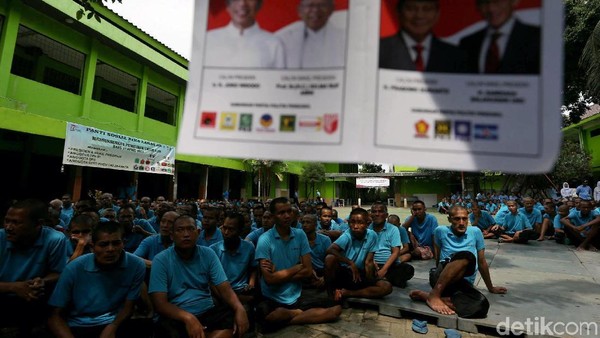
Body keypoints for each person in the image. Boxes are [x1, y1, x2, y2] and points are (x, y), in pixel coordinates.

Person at [149, 215, 249, 338]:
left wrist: (239, 309)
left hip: (207, 310)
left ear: (198, 233)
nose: (186, 234)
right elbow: (160, 304)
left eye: (190, 229)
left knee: (238, 318)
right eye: (180, 230)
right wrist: (188, 318)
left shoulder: (208, 254)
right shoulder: (161, 260)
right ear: (171, 235)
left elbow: (225, 289)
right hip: (177, 314)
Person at [47, 221, 148, 338]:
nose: (110, 249)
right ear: (92, 247)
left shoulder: (135, 265)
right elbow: (54, 316)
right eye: (103, 244)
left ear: (123, 243)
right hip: (80, 325)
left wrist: (113, 326)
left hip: (116, 322)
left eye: (116, 243)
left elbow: (128, 306)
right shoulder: (74, 268)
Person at [255, 197, 341, 331]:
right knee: (268, 317)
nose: (287, 216)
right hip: (273, 297)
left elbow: (307, 270)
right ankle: (296, 315)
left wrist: (279, 274)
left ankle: (291, 316)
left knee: (336, 309)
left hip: (296, 294)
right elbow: (269, 280)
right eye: (281, 213)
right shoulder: (265, 240)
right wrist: (296, 268)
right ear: (273, 216)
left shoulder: (300, 235)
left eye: (289, 211)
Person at [409, 205, 506, 317]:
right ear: (449, 219)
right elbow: (438, 258)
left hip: (463, 284)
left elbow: (482, 262)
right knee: (466, 255)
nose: (461, 222)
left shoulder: (475, 232)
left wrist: (491, 288)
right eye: (457, 219)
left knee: (481, 306)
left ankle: (428, 296)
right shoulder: (440, 231)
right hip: (442, 277)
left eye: (464, 219)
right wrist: (437, 280)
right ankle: (435, 295)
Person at [0, 199, 69, 335]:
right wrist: (14, 287)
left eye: (16, 223)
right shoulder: (0, 238)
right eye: (7, 221)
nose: (8, 227)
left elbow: (58, 273)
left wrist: (42, 281)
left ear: (39, 224)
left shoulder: (54, 239)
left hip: (34, 297)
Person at [325, 207, 393, 302]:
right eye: (352, 222)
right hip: (344, 272)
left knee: (386, 287)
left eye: (360, 223)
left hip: (360, 273)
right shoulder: (347, 235)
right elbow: (330, 249)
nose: (355, 226)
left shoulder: (372, 235)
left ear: (367, 224)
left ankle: (347, 293)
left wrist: (370, 281)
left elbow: (368, 261)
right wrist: (350, 263)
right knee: (330, 258)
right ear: (348, 223)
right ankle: (330, 295)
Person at [379, 0, 467, 72]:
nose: (419, 15)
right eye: (411, 8)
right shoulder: (378, 50)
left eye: (427, 9)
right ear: (398, 12)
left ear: (437, 14)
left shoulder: (456, 56)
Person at [459, 0, 540, 74]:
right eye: (484, 2)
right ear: (477, 7)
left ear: (514, 1)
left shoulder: (538, 39)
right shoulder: (467, 44)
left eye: (497, 1)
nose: (491, 9)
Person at [205, 0, 285, 68]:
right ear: (227, 6)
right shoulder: (208, 39)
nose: (242, 3)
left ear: (259, 5)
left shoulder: (274, 43)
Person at [276, 0, 346, 68]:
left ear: (331, 9)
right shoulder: (282, 39)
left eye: (322, 5)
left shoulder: (346, 39)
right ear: (299, 10)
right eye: (310, 5)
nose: (315, 10)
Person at [209, 212, 257, 311]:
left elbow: (253, 268)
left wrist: (251, 284)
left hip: (241, 290)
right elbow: (210, 280)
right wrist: (225, 298)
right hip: (220, 292)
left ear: (240, 231)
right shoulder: (213, 250)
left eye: (231, 229)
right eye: (224, 228)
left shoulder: (249, 248)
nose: (226, 232)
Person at [369, 203, 414, 288]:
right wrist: (373, 263)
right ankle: (385, 280)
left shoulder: (393, 229)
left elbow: (395, 252)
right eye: (374, 212)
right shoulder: (367, 229)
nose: (377, 214)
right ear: (371, 214)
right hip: (371, 264)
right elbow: (365, 250)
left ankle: (380, 279)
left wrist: (384, 270)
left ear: (386, 215)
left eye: (380, 211)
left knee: (408, 269)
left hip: (390, 265)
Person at [301, 213, 331, 288]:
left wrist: (325, 277)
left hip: (323, 271)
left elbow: (330, 261)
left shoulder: (325, 240)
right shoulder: (299, 240)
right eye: (303, 222)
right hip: (307, 271)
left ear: (315, 225)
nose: (304, 225)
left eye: (308, 222)